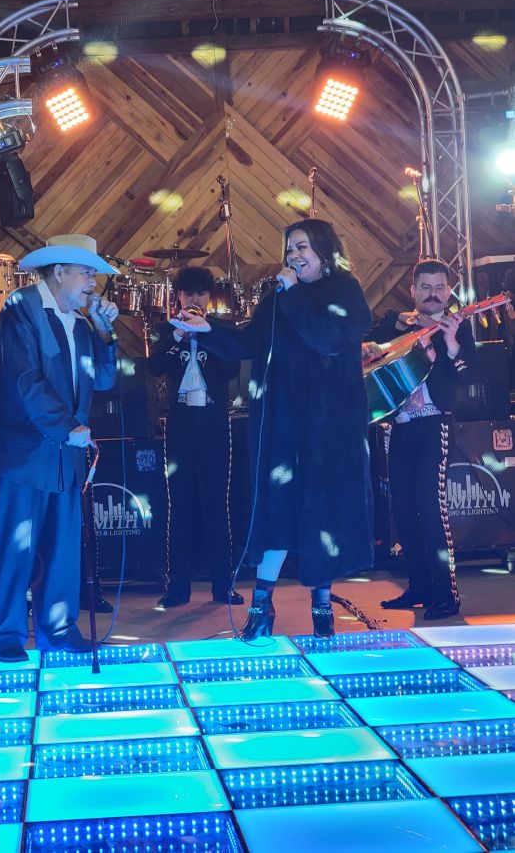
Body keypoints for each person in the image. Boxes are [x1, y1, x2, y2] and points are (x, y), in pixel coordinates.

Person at [172, 219, 374, 638]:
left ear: (324, 250)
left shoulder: (345, 291)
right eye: (290, 249)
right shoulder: (279, 296)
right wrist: (207, 331)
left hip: (328, 428)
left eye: (302, 247)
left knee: (321, 514)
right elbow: (250, 343)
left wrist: (294, 293)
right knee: (276, 511)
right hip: (282, 422)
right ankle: (261, 608)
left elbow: (326, 338)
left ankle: (322, 607)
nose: (294, 256)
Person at [0, 234, 119, 662]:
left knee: (62, 549)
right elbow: (24, 379)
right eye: (86, 273)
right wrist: (67, 427)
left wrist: (106, 331)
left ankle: (58, 628)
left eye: (93, 274)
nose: (93, 283)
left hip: (65, 453)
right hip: (26, 451)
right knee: (17, 547)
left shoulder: (81, 322)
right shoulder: (21, 307)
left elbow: (104, 380)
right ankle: (6, 636)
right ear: (59, 272)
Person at [365, 259, 477, 620]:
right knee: (402, 512)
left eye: (439, 287)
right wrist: (375, 342)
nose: (433, 294)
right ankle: (419, 587)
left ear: (449, 291)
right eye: (426, 287)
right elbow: (366, 345)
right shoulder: (397, 324)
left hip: (434, 425)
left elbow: (468, 376)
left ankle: (446, 595)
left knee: (432, 511)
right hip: (400, 426)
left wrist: (450, 345)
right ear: (413, 290)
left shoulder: (457, 327)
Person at [147, 266, 243, 608]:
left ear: (209, 296)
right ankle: (177, 587)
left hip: (214, 422)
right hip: (181, 423)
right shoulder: (165, 330)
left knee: (218, 504)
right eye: (189, 293)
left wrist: (206, 334)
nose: (195, 299)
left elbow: (232, 369)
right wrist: (178, 336)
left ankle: (223, 586)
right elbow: (154, 367)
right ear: (178, 296)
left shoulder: (221, 329)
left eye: (201, 293)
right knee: (179, 505)